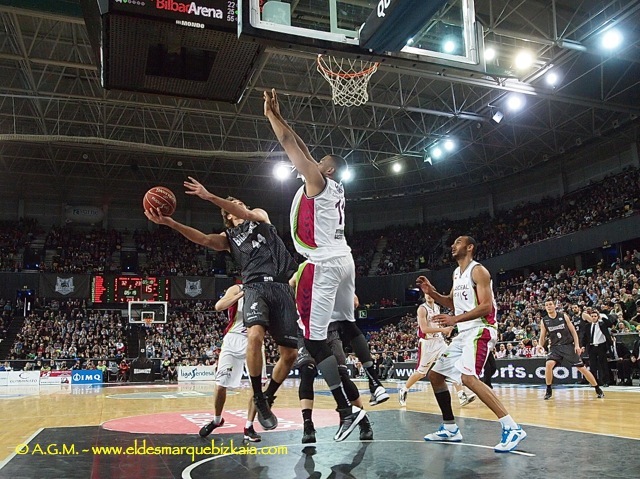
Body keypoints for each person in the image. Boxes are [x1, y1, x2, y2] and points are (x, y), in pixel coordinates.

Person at [264, 88, 387, 442]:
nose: (311, 162)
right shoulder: (334, 187)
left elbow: (289, 144)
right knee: (347, 323)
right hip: (345, 259)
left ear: (327, 169)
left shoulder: (317, 182)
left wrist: (271, 117)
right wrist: (282, 116)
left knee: (313, 340)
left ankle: (346, 411)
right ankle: (375, 381)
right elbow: (301, 149)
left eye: (319, 161)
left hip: (322, 263)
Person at [145, 180, 298, 431]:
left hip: (281, 287)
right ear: (227, 215)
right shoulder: (229, 238)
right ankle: (258, 397)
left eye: (239, 203)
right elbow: (204, 239)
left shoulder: (259, 215)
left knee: (290, 354)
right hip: (254, 286)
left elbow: (246, 212)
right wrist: (171, 223)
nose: (240, 205)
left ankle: (267, 395)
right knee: (254, 336)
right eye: (234, 205)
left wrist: (209, 195)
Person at [416, 235, 527, 453]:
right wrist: (432, 293)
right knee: (436, 376)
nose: (452, 246)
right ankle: (450, 428)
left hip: (480, 329)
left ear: (469, 247)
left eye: (458, 242)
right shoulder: (457, 273)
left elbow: (486, 307)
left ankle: (512, 427)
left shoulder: (478, 271)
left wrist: (455, 319)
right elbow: (452, 302)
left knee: (468, 378)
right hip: (464, 332)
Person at [199, 285, 262, 442]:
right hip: (233, 338)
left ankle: (249, 427)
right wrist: (241, 295)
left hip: (254, 341)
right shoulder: (237, 288)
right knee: (220, 385)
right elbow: (219, 306)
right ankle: (217, 420)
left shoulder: (266, 290)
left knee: (257, 387)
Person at [398, 291, 476, 407]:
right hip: (427, 343)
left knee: (454, 365)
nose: (429, 296)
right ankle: (404, 390)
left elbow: (437, 325)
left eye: (431, 294)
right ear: (424, 296)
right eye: (427, 294)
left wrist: (446, 329)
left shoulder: (437, 307)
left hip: (439, 342)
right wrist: (443, 330)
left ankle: (461, 396)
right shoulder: (422, 309)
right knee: (421, 373)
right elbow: (424, 329)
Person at [538, 299, 603, 400]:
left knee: (582, 368)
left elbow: (573, 332)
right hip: (555, 347)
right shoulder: (544, 321)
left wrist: (577, 345)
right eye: (546, 305)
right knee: (548, 364)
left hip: (568, 345)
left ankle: (597, 388)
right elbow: (542, 336)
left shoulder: (563, 316)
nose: (548, 306)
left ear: (554, 306)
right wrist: (539, 345)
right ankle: (548, 389)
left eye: (550, 304)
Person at [583, 308, 613, 387]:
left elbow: (610, 324)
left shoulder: (602, 324)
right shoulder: (588, 326)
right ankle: (594, 382)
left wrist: (602, 318)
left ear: (598, 317)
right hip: (592, 347)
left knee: (603, 364)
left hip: (601, 346)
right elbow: (585, 337)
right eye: (592, 316)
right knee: (593, 365)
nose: (593, 318)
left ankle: (606, 381)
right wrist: (583, 346)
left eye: (595, 316)